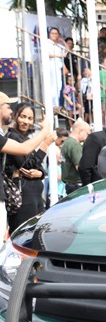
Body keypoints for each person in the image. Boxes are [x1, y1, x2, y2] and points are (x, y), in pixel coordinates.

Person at [0, 93, 55, 238]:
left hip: (35, 195)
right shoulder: (12, 137)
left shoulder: (26, 139)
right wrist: (45, 142)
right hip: (23, 196)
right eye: (22, 116)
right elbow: (28, 163)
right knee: (23, 239)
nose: (26, 121)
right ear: (16, 116)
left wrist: (41, 173)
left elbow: (37, 167)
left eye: (30, 118)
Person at [61, 119, 90, 195]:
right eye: (87, 134)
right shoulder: (74, 145)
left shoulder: (66, 142)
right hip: (77, 185)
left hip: (70, 184)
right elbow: (80, 167)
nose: (87, 137)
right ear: (81, 131)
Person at [44, 27, 67, 109]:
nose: (54, 35)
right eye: (52, 33)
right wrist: (60, 56)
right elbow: (47, 54)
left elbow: (67, 51)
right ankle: (51, 104)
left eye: (56, 33)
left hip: (58, 66)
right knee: (52, 85)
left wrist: (63, 41)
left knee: (58, 85)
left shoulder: (59, 45)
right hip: (50, 65)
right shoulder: (47, 42)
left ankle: (55, 104)